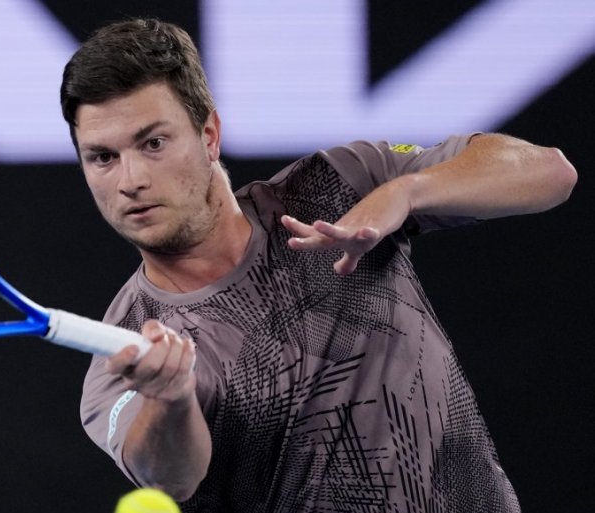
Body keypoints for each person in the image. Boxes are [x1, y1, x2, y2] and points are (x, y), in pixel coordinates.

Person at [60, 18, 576, 512]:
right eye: (103, 157)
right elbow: (170, 478)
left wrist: (405, 192)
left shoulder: (337, 184)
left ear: (209, 135)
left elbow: (551, 172)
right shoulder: (122, 352)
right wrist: (169, 397)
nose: (130, 180)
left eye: (153, 143)